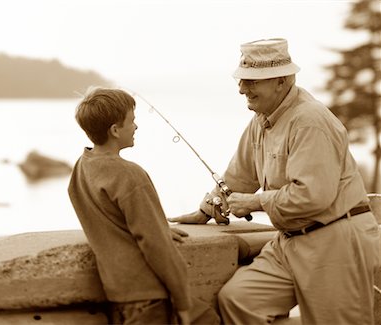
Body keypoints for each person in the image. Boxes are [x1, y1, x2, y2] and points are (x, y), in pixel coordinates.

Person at [168, 38, 380, 325]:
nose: (242, 89)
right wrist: (206, 209)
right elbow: (238, 176)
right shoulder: (262, 119)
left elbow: (313, 196)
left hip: (336, 240)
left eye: (252, 81)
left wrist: (254, 202)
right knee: (239, 300)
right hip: (290, 242)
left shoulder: (309, 121)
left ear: (281, 82)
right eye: (242, 80)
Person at [67, 87, 219, 325]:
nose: (136, 127)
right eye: (132, 121)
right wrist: (183, 302)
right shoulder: (129, 175)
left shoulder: (81, 167)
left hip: (116, 290)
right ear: (115, 130)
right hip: (147, 294)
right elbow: (156, 245)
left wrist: (156, 225)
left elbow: (109, 219)